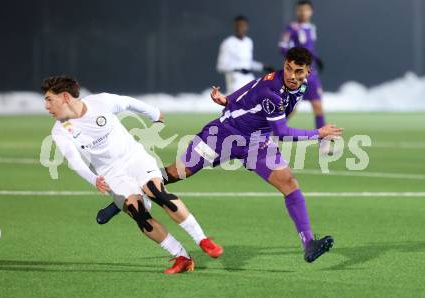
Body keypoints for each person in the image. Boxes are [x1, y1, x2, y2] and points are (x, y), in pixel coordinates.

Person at [99, 47, 342, 263]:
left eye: (297, 71)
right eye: (288, 68)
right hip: (223, 135)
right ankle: (123, 197)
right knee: (176, 173)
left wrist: (228, 99)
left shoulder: (300, 85)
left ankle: (308, 243)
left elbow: (251, 86)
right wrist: (317, 133)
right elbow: (282, 132)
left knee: (289, 183)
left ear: (307, 72)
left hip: (256, 142)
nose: (291, 75)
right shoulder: (273, 92)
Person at [43, 75, 222, 274]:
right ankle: (182, 257)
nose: (46, 106)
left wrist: (153, 113)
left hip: (134, 158)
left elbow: (127, 102)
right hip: (111, 174)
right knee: (138, 212)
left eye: (49, 99)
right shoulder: (60, 130)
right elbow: (74, 160)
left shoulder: (100, 102)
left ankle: (202, 240)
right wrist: (94, 179)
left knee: (156, 191)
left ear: (65, 97)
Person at [279, 0, 326, 132]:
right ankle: (270, 133)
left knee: (317, 106)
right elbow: (282, 47)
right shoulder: (292, 28)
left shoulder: (311, 28)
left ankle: (323, 142)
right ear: (296, 11)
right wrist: (296, 58)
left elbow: (311, 48)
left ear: (311, 12)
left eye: (306, 10)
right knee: (292, 108)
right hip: (298, 74)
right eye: (300, 10)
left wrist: (317, 58)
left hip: (312, 73)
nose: (303, 12)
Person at [217, 15, 275, 94]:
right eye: (238, 25)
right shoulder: (228, 43)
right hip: (235, 80)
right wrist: (238, 69)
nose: (241, 28)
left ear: (247, 27)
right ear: (234, 27)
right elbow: (221, 66)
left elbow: (248, 63)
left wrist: (263, 67)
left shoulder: (248, 42)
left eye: (243, 26)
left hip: (248, 78)